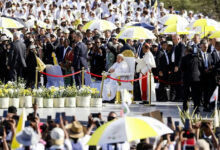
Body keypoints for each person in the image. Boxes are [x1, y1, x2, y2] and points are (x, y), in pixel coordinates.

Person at [180, 45, 203, 112]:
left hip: (187, 78)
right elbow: (201, 67)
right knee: (196, 95)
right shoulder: (198, 58)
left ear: (187, 51)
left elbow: (182, 68)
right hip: (196, 79)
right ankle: (196, 108)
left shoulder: (184, 58)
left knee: (186, 94)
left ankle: (185, 108)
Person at [170, 34, 186, 102]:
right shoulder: (175, 46)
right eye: (172, 39)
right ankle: (176, 97)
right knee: (175, 82)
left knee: (179, 82)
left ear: (178, 39)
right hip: (174, 65)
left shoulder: (181, 45)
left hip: (178, 67)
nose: (173, 40)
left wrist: (177, 66)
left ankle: (180, 97)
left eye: (174, 39)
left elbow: (181, 57)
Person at [199, 39, 213, 112]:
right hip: (201, 76)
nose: (205, 48)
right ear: (201, 46)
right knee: (201, 92)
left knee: (208, 92)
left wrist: (210, 68)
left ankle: (206, 105)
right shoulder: (198, 55)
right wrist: (204, 69)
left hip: (208, 76)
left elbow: (212, 63)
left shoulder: (209, 54)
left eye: (207, 47)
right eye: (204, 47)